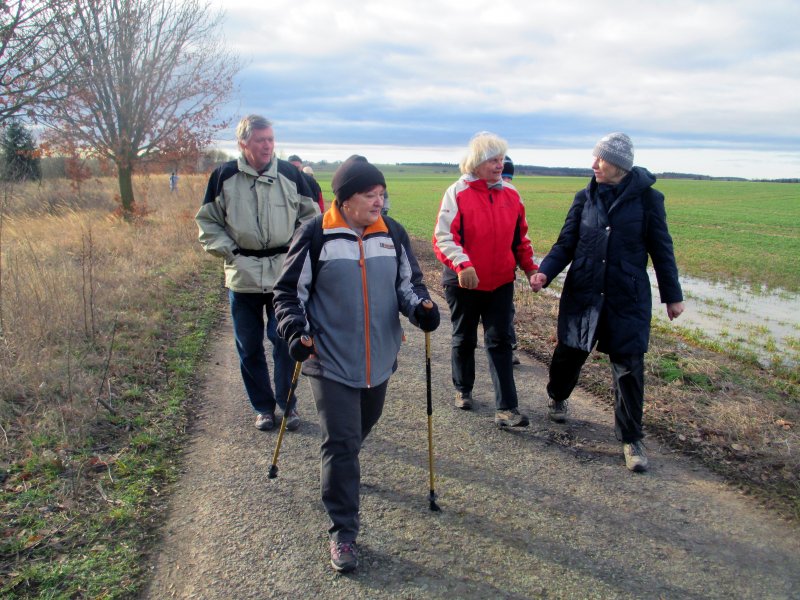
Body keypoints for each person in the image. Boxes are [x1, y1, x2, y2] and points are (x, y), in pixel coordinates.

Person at [274, 155, 440, 573]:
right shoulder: (317, 234)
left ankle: (343, 467)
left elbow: (409, 285)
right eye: (370, 195)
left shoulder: (392, 234)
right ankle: (343, 532)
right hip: (328, 358)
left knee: (361, 428)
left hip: (380, 358)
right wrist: (296, 331)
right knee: (343, 441)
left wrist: (420, 307)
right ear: (346, 199)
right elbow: (288, 294)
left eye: (382, 194)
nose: (379, 202)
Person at [530, 132, 685, 472]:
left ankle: (631, 439)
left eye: (600, 159)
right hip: (584, 291)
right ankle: (557, 396)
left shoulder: (648, 201)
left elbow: (662, 250)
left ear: (619, 164)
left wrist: (672, 296)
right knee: (569, 353)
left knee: (629, 367)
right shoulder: (585, 197)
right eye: (595, 157)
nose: (593, 164)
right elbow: (565, 243)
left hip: (626, 297)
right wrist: (545, 272)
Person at [195, 115, 319, 433]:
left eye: (271, 139)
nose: (268, 145)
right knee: (248, 345)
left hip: (283, 276)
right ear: (243, 144)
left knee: (284, 341)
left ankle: (288, 405)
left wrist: (295, 250)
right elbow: (207, 222)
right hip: (242, 275)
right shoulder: (223, 176)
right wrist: (231, 252)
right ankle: (263, 408)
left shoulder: (291, 174)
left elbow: (311, 218)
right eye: (261, 140)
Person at [433, 132, 538, 429]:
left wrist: (530, 269)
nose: (499, 165)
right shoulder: (458, 192)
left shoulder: (512, 195)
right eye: (493, 160)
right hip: (464, 281)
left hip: (500, 281)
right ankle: (463, 389)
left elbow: (520, 239)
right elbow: (443, 237)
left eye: (501, 159)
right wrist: (462, 264)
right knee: (464, 336)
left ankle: (506, 408)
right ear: (477, 162)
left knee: (500, 340)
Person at [501, 156, 522, 366]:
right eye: (503, 176)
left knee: (507, 309)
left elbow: (520, 236)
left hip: (506, 268)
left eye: (509, 177)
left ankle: (510, 348)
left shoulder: (514, 198)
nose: (506, 180)